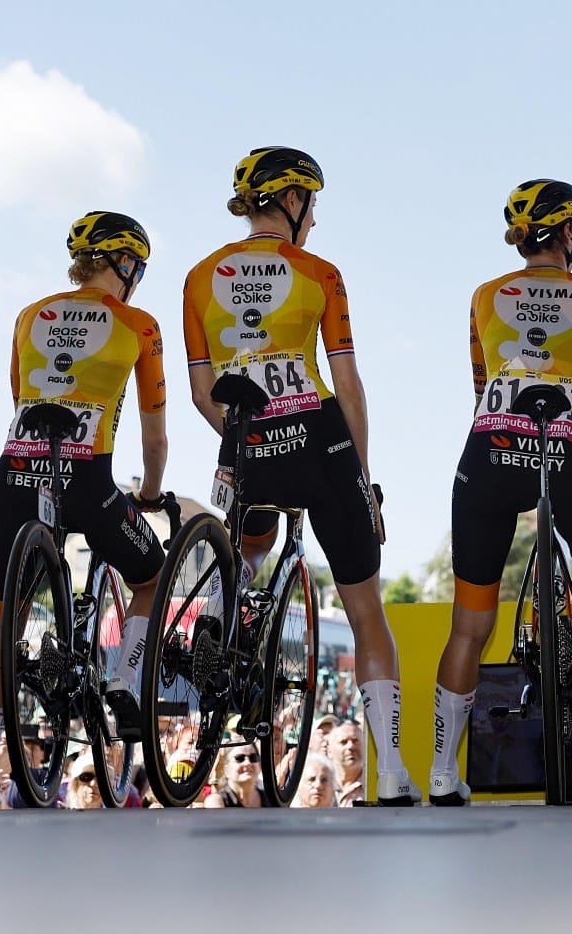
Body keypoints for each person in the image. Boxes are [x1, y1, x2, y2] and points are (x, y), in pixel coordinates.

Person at [184, 149, 414, 804]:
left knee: (246, 546)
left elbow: (204, 395)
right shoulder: (319, 272)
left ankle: (223, 617)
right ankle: (392, 769)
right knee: (366, 611)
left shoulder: (199, 277)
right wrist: (363, 481)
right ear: (291, 199)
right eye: (311, 204)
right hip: (318, 437)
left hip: (245, 440)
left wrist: (248, 438)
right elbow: (348, 385)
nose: (313, 219)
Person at [427, 179, 572, 806]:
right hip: (563, 446)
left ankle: (441, 770)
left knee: (469, 628)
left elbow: (480, 379)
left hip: (489, 451)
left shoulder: (486, 296)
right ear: (568, 232)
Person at [0, 212, 171, 808]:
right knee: (152, 576)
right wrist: (152, 492)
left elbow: (20, 397)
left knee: (1, 626)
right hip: (87, 477)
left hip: (16, 471)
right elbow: (153, 438)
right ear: (126, 264)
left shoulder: (30, 315)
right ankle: (122, 675)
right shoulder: (138, 323)